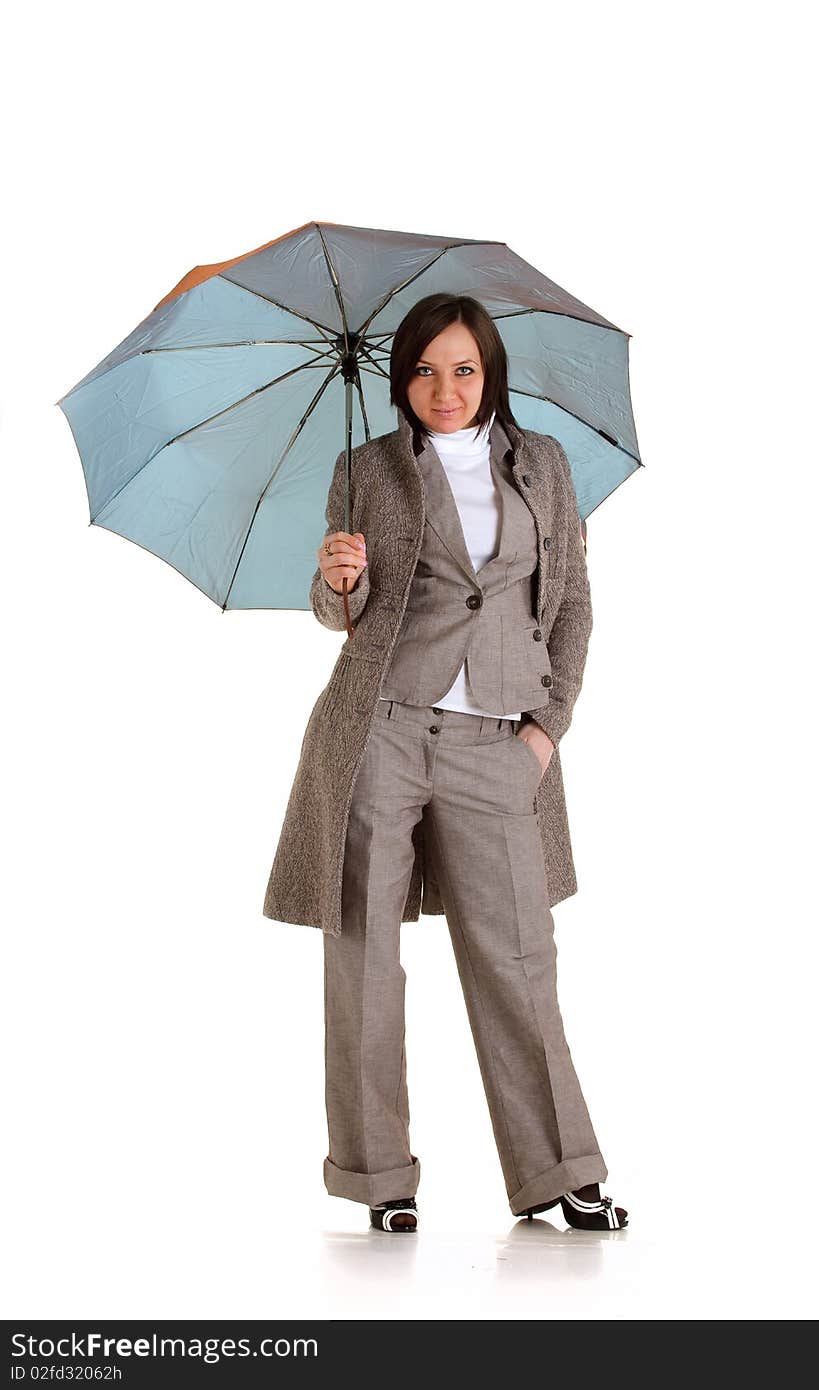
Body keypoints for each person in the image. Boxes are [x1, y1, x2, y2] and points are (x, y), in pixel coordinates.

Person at [287, 293, 627, 1233]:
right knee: (364, 954)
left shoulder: (545, 467)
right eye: (427, 370)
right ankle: (378, 1180)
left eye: (464, 369)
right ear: (401, 378)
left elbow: (573, 610)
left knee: (518, 957)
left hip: (497, 746)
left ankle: (560, 1171)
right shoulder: (367, 471)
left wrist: (544, 734)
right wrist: (338, 578)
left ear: (490, 373)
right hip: (380, 734)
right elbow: (339, 615)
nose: (445, 389)